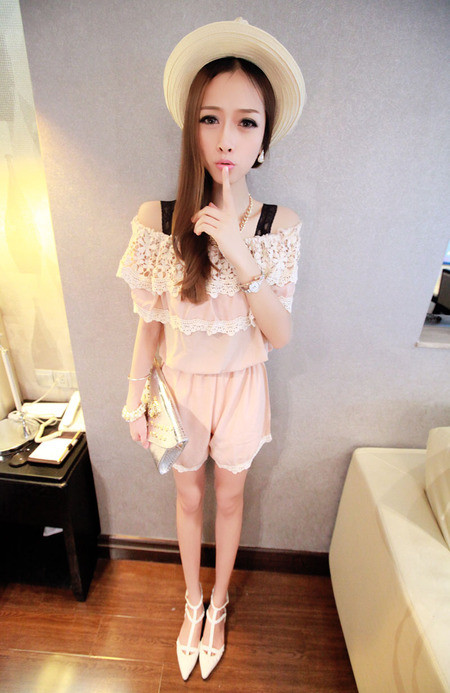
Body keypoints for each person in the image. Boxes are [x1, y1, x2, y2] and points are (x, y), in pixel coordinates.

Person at [117, 18, 306, 681]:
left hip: (243, 387)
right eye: (211, 119)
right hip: (179, 389)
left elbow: (280, 333)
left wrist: (237, 248)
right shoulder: (158, 220)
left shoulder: (279, 227)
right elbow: (149, 323)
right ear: (192, 129)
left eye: (246, 122)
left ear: (264, 138)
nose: (227, 138)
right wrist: (133, 399)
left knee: (229, 500)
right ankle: (191, 602)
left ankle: (219, 604)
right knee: (188, 500)